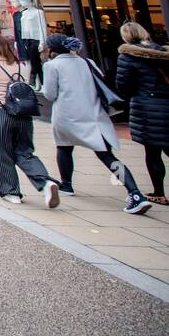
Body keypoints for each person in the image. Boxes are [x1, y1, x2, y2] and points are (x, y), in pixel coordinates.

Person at [41, 34, 151, 214]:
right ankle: (135, 193)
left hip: (67, 114)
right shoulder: (88, 62)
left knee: (64, 148)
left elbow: (49, 94)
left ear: (52, 49)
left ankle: (67, 185)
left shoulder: (52, 66)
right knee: (107, 155)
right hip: (94, 113)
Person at [0, 33, 59, 207]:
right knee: (25, 151)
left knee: (4, 152)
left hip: (0, 112)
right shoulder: (21, 66)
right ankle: (45, 183)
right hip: (23, 113)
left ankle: (11, 191)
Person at [116, 21, 169, 206]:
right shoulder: (163, 52)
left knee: (153, 152)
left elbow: (123, 86)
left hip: (147, 106)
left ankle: (159, 192)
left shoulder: (127, 56)